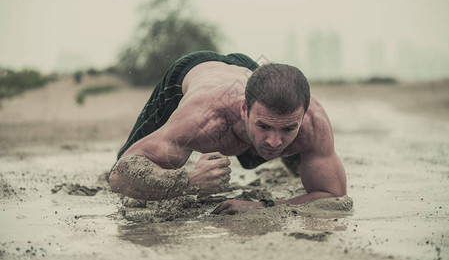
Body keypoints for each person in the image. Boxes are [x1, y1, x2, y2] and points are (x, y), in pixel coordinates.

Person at [109, 51, 347, 214]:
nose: (275, 142)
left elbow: (334, 196)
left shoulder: (313, 122)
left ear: (303, 116)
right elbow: (121, 176)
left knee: (302, 158)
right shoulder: (203, 120)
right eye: (264, 126)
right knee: (136, 185)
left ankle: (283, 143)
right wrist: (188, 181)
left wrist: (262, 205)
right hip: (193, 74)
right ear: (245, 109)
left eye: (288, 128)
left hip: (248, 72)